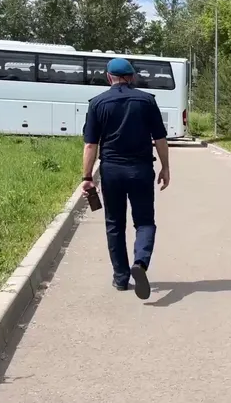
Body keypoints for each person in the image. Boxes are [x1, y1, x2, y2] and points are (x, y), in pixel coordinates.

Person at [80, 57, 171, 300]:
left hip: (112, 171)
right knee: (145, 223)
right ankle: (140, 263)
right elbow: (160, 139)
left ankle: (120, 278)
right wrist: (165, 168)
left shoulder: (97, 103)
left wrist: (87, 177)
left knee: (114, 224)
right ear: (131, 77)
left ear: (109, 77)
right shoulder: (147, 101)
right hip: (141, 170)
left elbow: (91, 145)